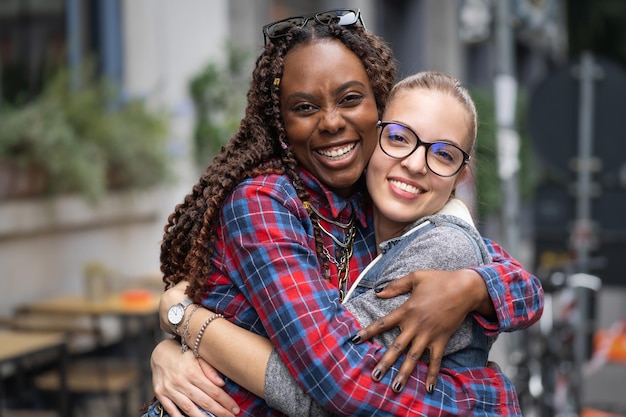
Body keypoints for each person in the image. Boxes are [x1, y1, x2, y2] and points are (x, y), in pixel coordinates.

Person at [146, 9, 543, 417]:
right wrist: (486, 400)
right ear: (279, 123)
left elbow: (516, 279)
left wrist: (476, 287)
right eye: (304, 107)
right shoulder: (264, 202)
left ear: (378, 109)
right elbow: (339, 381)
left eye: (351, 98)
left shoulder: (372, 201)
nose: (332, 122)